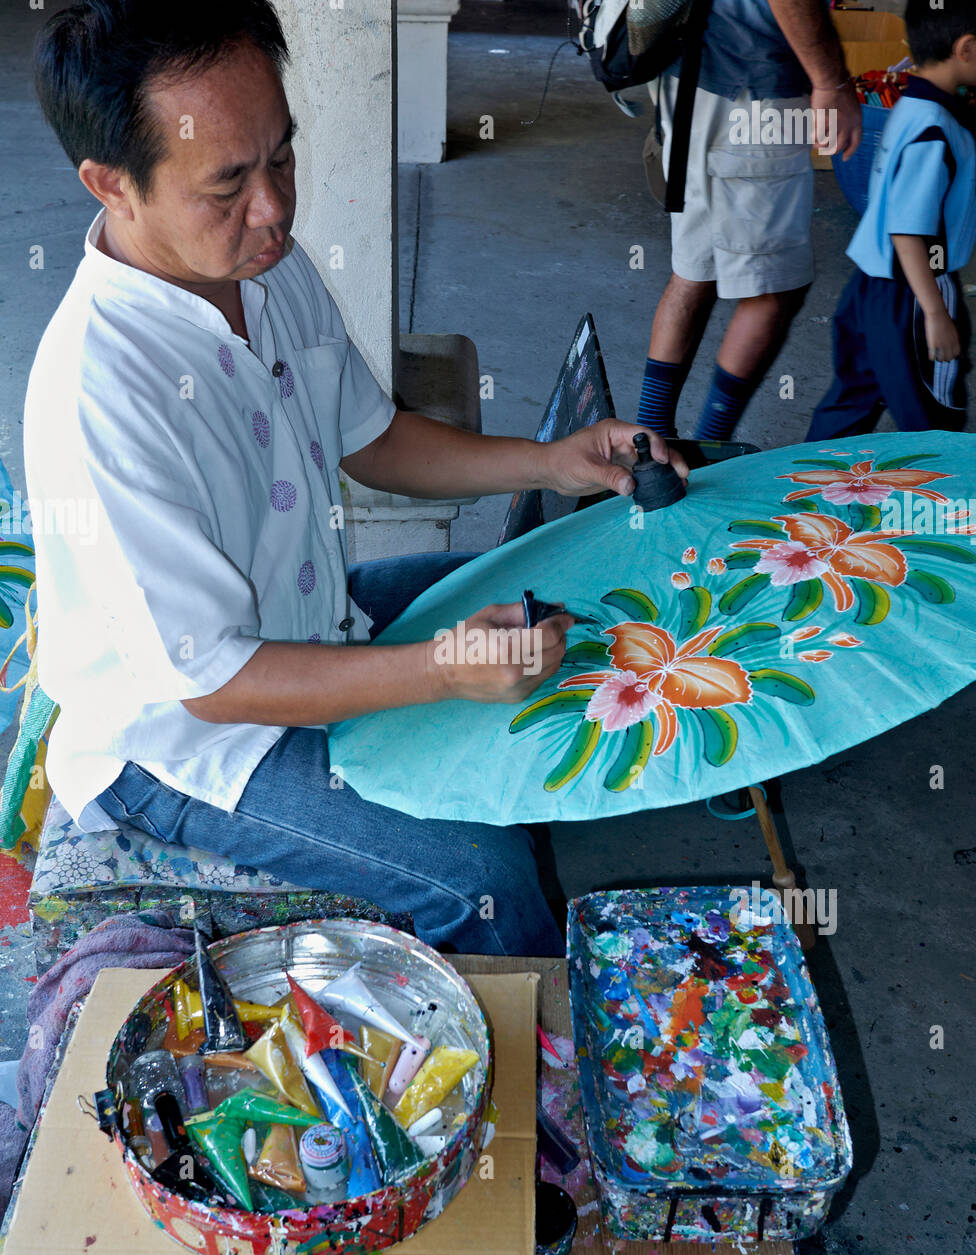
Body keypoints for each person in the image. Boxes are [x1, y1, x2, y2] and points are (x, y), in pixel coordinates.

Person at [26, 0, 687, 958]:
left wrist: (554, 459)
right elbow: (215, 683)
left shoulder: (263, 267)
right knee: (485, 882)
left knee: (560, 577)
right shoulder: (101, 390)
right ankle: (533, 1089)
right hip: (185, 744)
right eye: (228, 186)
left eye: (281, 158)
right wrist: (439, 672)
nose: (275, 207)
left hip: (309, 623)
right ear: (111, 184)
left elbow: (370, 438)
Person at [637, 0, 862, 443]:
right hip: (755, 90)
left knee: (695, 269)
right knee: (774, 288)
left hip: (690, 77)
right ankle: (709, 447)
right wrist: (830, 81)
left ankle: (649, 441)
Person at [806, 0, 976, 439]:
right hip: (917, 290)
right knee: (936, 420)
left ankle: (803, 489)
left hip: (868, 286)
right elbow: (908, 231)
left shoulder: (908, 107)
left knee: (850, 403)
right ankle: (946, 504)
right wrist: (936, 312)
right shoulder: (934, 130)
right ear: (967, 49)